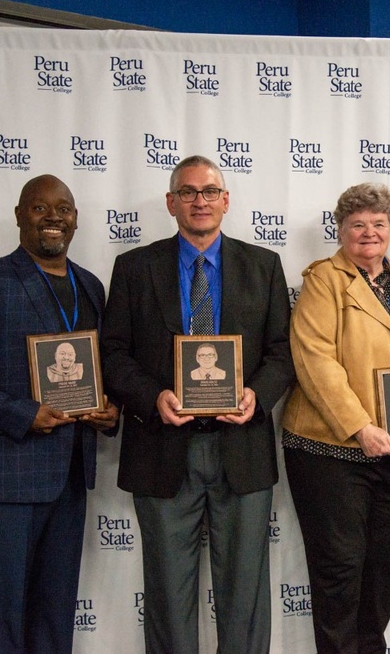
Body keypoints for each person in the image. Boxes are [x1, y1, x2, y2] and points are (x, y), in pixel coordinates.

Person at [100, 155, 294, 654]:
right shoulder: (133, 267)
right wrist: (152, 397)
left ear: (226, 201)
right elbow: (113, 353)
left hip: (242, 447)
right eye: (187, 192)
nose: (199, 201)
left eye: (209, 191)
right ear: (171, 202)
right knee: (167, 592)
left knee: (245, 595)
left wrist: (257, 395)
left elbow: (282, 352)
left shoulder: (264, 265)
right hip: (162, 447)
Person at [0, 174, 118, 653]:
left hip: (69, 477)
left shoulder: (91, 286)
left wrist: (107, 412)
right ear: (19, 216)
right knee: (0, 619)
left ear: (76, 220)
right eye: (40, 208)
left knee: (54, 618)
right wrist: (22, 413)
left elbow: (100, 369)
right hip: (4, 477)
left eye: (65, 208)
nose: (54, 216)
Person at [282, 183, 390, 653]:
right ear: (341, 230)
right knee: (340, 568)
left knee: (389, 563)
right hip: (330, 449)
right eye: (357, 225)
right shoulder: (322, 280)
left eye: (378, 223)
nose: (368, 233)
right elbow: (315, 358)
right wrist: (359, 427)